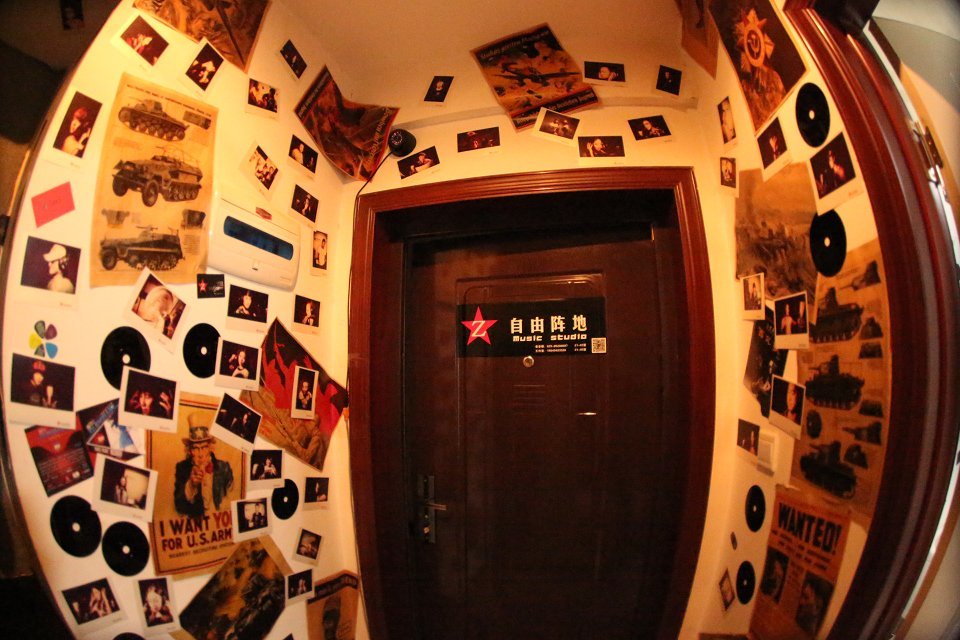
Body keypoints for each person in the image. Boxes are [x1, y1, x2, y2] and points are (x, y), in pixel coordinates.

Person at [174, 416, 233, 519]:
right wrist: (191, 485)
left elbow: (232, 499)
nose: (200, 454)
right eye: (196, 448)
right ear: (189, 450)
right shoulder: (182, 468)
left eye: (204, 447)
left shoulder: (224, 468)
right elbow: (179, 507)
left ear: (210, 447)